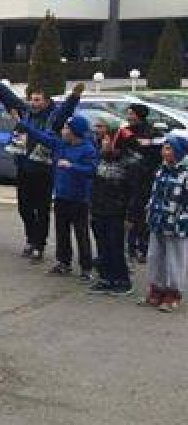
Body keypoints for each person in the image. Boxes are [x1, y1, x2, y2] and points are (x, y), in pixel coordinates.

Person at [0, 74, 83, 262]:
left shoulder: (54, 117)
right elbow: (10, 99)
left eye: (37, 100)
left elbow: (66, 110)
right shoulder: (26, 112)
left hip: (43, 170)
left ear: (47, 102)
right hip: (23, 167)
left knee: (42, 209)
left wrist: (74, 96)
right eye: (31, 99)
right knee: (24, 208)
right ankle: (31, 238)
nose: (33, 103)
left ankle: (39, 244)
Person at [18, 114, 98, 280]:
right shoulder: (60, 144)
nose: (63, 131)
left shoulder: (88, 149)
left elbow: (91, 171)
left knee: (81, 233)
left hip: (79, 198)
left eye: (67, 128)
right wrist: (25, 126)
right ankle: (63, 262)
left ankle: (86, 267)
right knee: (61, 231)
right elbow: (42, 137)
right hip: (61, 196)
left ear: (74, 132)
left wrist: (72, 166)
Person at [142, 134, 188, 312]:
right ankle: (157, 288)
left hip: (176, 225)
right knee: (155, 256)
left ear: (178, 152)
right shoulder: (161, 170)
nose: (164, 152)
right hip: (158, 220)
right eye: (164, 148)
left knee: (174, 258)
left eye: (168, 148)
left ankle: (173, 292)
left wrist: (181, 219)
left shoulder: (184, 173)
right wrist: (150, 210)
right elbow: (155, 194)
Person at [89, 117, 135, 295]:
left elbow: (134, 191)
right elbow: (96, 184)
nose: (103, 141)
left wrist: (130, 215)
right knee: (103, 245)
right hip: (100, 208)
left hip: (117, 211)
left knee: (116, 246)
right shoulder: (102, 158)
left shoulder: (128, 161)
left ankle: (122, 281)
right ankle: (106, 278)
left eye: (106, 137)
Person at [117, 103, 164, 264]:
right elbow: (118, 150)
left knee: (141, 213)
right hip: (126, 178)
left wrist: (139, 141)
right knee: (128, 213)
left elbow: (157, 148)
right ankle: (129, 248)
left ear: (139, 115)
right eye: (128, 113)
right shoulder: (124, 130)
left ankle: (143, 248)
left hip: (145, 179)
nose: (128, 116)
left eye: (131, 113)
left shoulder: (153, 132)